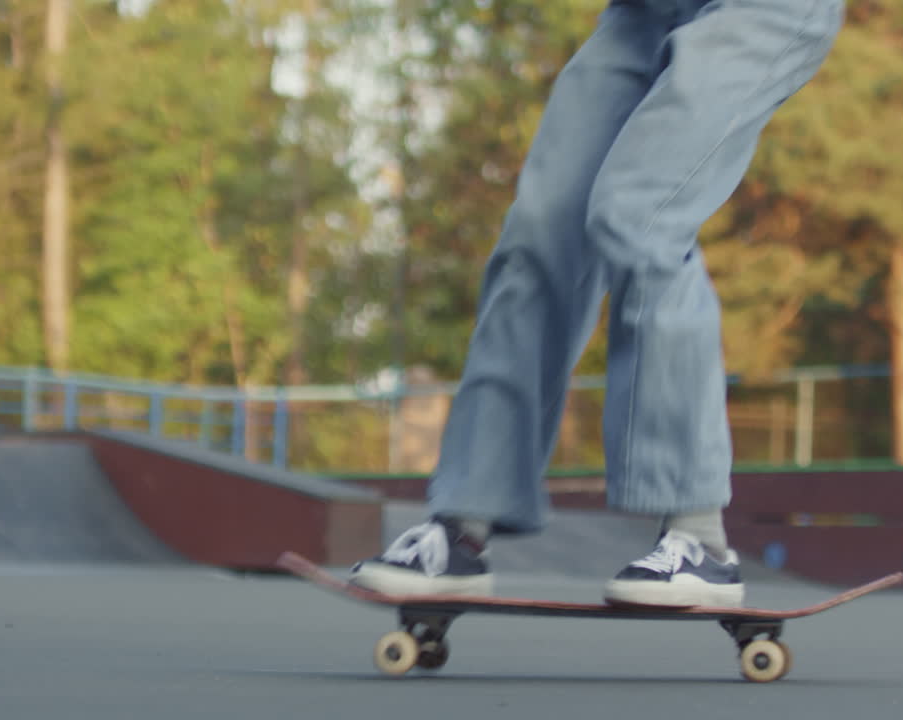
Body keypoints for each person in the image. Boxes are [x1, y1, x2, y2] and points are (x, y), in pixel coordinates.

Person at [350, 0, 845, 607]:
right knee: (540, 232)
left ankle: (700, 538)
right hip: (640, 14)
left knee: (640, 215)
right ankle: (462, 525)